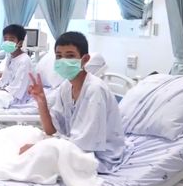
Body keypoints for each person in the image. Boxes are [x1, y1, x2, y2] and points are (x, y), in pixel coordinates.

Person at [19, 31, 126, 174]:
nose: (63, 61)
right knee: (23, 136)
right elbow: (51, 130)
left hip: (97, 157)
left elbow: (84, 145)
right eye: (59, 56)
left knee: (34, 156)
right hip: (75, 147)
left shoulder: (95, 90)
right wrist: (41, 101)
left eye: (70, 56)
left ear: (85, 59)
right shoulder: (66, 87)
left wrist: (39, 148)